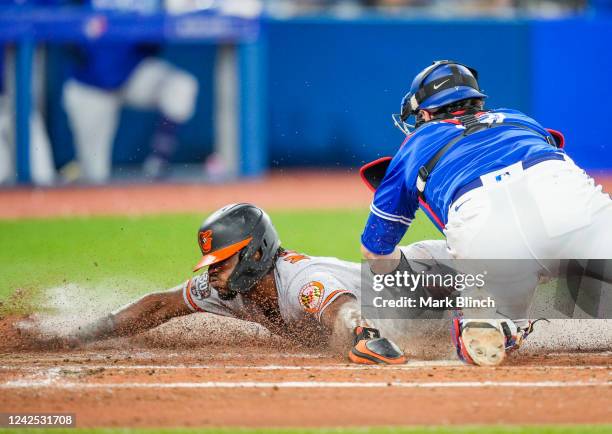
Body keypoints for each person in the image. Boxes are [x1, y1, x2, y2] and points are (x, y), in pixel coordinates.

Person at [359, 60, 612, 366]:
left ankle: (495, 323)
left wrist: (409, 279)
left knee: (497, 315)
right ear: (477, 99)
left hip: (487, 228)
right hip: (565, 196)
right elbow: (552, 147)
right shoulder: (519, 118)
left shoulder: (414, 146)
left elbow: (374, 251)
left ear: (424, 113)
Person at [62, 0, 199, 183]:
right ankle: (78, 172)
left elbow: (156, 39)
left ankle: (158, 162)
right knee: (95, 176)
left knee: (181, 86)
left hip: (132, 73)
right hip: (89, 88)